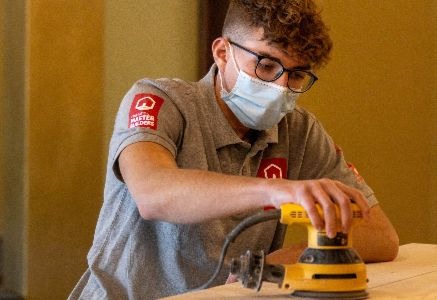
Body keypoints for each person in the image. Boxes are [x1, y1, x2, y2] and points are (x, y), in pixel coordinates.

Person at [69, 0, 399, 299]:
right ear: (222, 52)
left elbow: (381, 236)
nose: (280, 87)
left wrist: (279, 259)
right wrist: (277, 191)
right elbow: (152, 194)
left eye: (296, 75)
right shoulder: (160, 100)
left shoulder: (299, 131)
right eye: (267, 66)